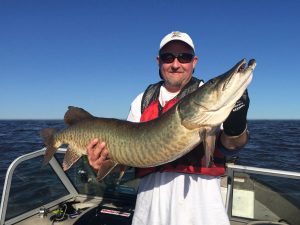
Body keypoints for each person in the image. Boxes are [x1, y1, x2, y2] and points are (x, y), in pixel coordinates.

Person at [87, 31, 250, 225]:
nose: (175, 64)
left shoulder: (210, 98)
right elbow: (127, 158)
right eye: (168, 57)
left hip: (202, 213)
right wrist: (102, 162)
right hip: (150, 212)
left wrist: (236, 123)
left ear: (194, 61)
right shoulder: (142, 100)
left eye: (184, 57)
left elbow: (231, 146)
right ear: (159, 61)